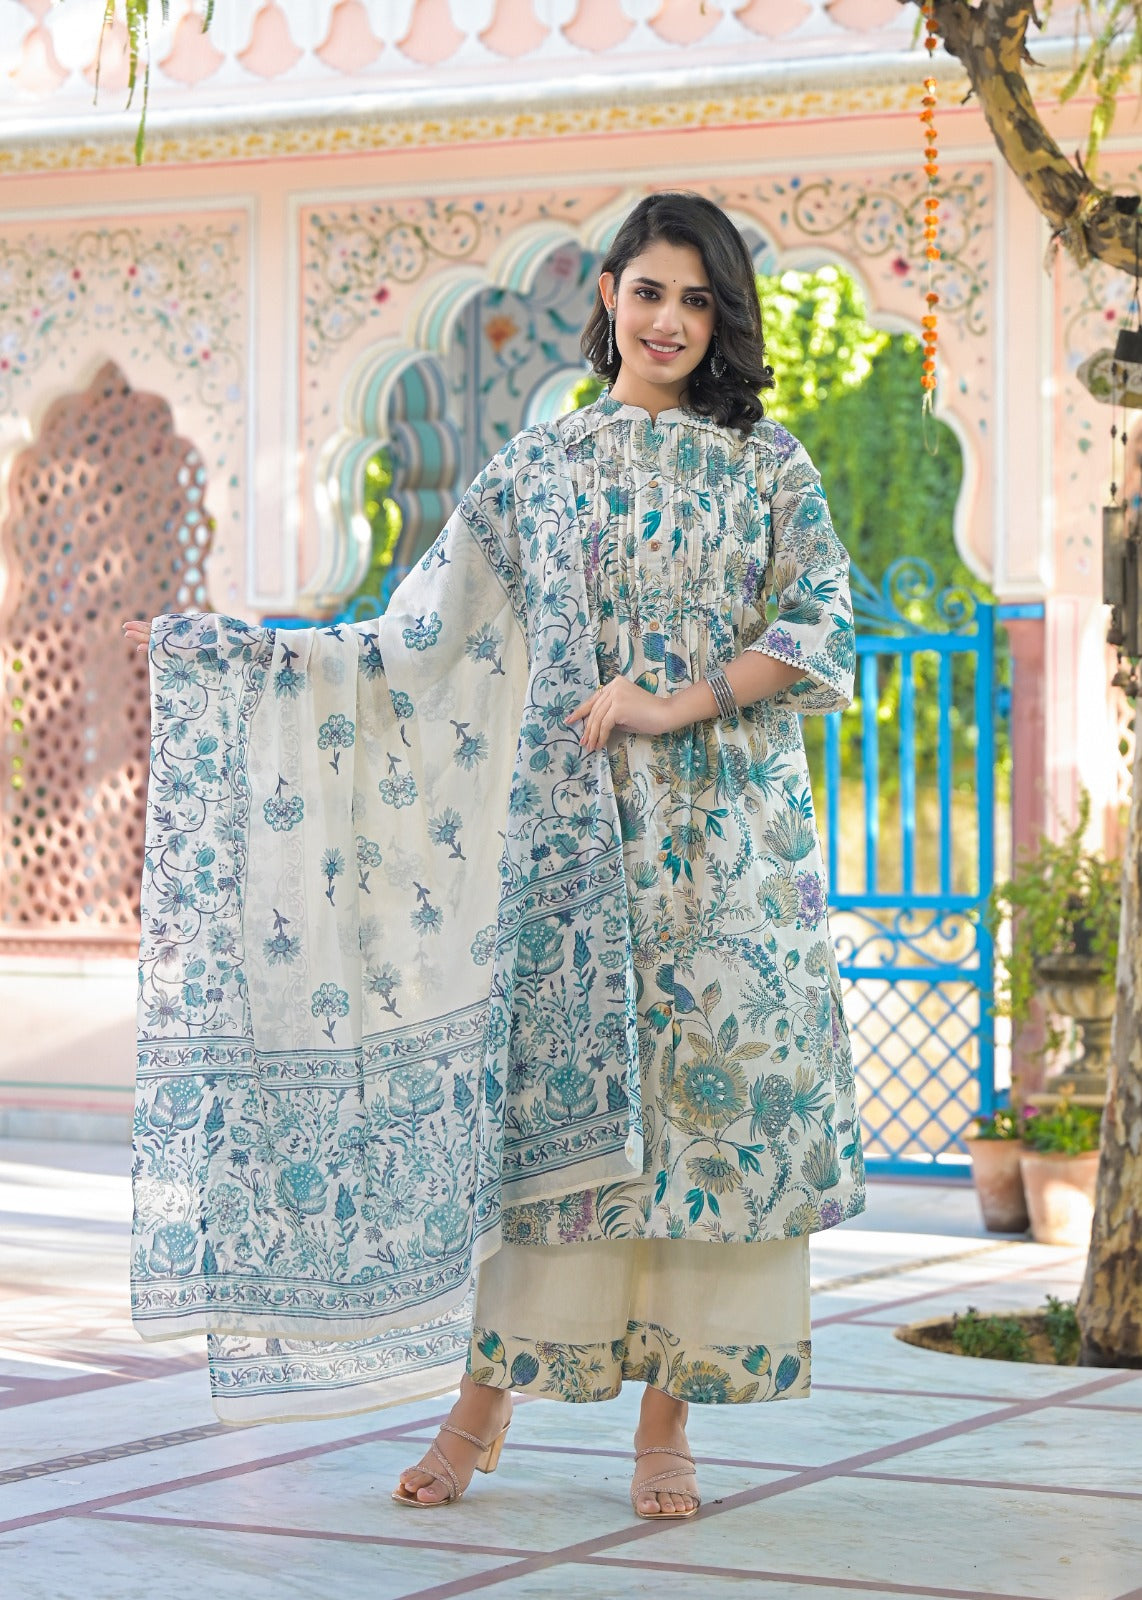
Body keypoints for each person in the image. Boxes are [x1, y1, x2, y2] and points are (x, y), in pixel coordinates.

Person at [124, 192, 862, 1522]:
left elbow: (817, 629)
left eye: (699, 301)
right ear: (608, 297)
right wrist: (246, 661)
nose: (670, 322)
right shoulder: (539, 470)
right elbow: (418, 638)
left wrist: (672, 703)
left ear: (724, 319)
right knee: (551, 1139)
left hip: (731, 856)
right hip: (570, 862)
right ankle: (479, 1409)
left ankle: (666, 1430)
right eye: (649, 291)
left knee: (703, 1135)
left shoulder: (768, 465)